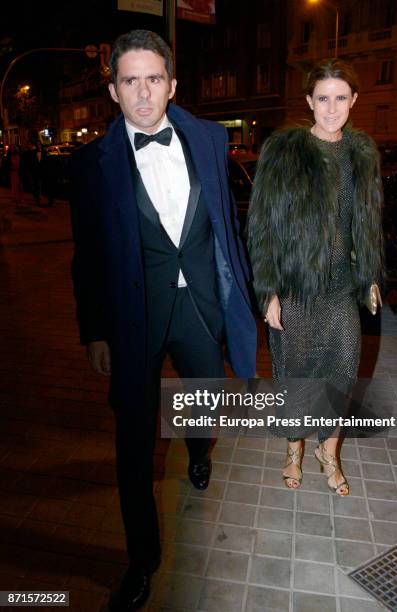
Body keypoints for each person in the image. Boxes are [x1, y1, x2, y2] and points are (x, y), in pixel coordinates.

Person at [69, 29, 256, 611]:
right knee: (132, 446)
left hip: (199, 308)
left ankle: (200, 450)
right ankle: (142, 562)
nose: (144, 93)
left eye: (154, 79)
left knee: (204, 407)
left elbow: (226, 224)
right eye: (131, 81)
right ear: (113, 89)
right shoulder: (93, 163)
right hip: (133, 319)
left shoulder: (206, 137)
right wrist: (94, 329)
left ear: (172, 84)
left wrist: (248, 296)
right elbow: (88, 256)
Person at [247, 59, 382, 496]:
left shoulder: (362, 154)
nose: (331, 108)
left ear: (353, 101)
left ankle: (329, 450)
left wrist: (371, 275)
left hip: (342, 288)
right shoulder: (285, 152)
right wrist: (267, 292)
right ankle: (293, 451)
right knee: (297, 375)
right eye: (322, 98)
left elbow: (366, 221)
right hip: (296, 289)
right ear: (309, 101)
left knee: (341, 373)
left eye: (340, 98)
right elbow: (262, 225)